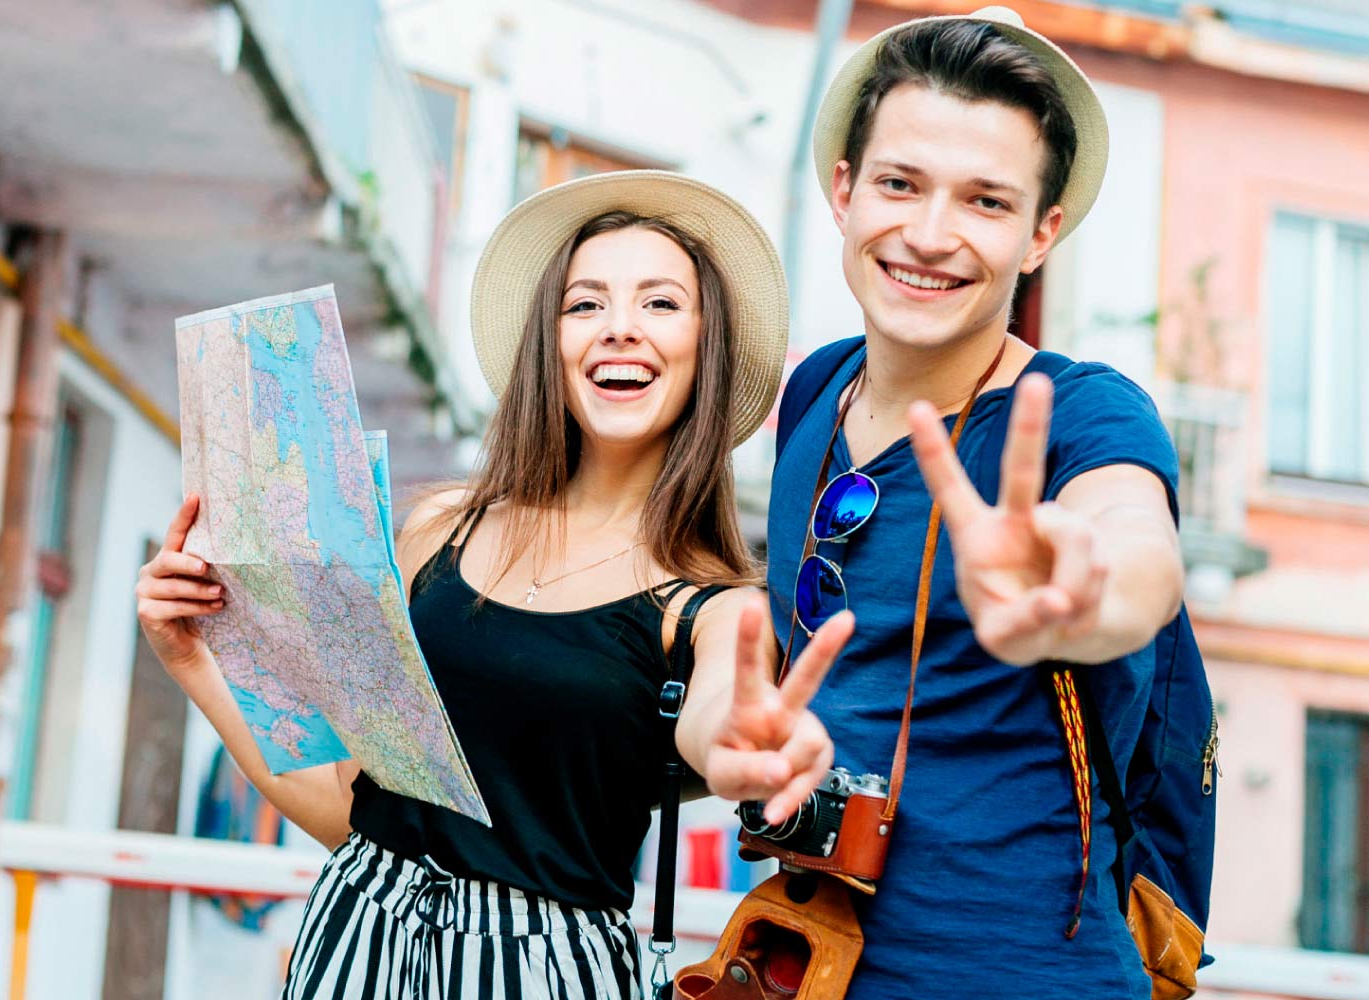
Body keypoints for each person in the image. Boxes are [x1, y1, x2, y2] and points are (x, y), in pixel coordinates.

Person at [135, 169, 854, 1000]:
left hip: (540, 972)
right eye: (585, 304)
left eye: (659, 304)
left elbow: (721, 718)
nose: (619, 328)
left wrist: (736, 749)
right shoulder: (438, 529)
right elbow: (346, 808)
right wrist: (191, 658)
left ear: (707, 348)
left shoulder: (713, 609)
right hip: (352, 938)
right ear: (549, 345)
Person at [680, 8, 1193, 998]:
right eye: (899, 184)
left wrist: (1080, 591)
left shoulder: (1082, 413)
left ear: (1042, 233)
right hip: (812, 960)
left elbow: (1138, 552)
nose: (928, 234)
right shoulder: (813, 393)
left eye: (985, 202)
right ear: (843, 190)